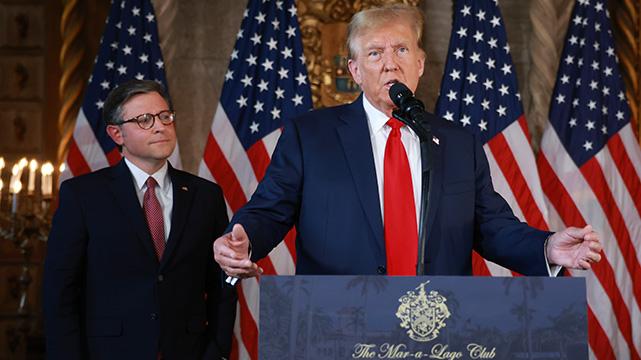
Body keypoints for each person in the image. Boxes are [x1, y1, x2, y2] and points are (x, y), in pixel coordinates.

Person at [213, 5, 602, 278]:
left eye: (401, 50)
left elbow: (491, 226)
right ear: (355, 71)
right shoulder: (310, 136)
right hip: (339, 320)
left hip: (437, 321)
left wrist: (548, 247)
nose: (389, 63)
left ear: (419, 63)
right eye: (374, 53)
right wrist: (242, 241)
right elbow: (270, 211)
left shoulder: (457, 142)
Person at [44, 80, 235, 359]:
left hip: (188, 351)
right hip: (108, 352)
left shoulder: (205, 195)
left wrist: (216, 350)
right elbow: (60, 291)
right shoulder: (83, 196)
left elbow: (221, 284)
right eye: (144, 120)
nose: (159, 126)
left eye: (165, 116)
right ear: (116, 133)